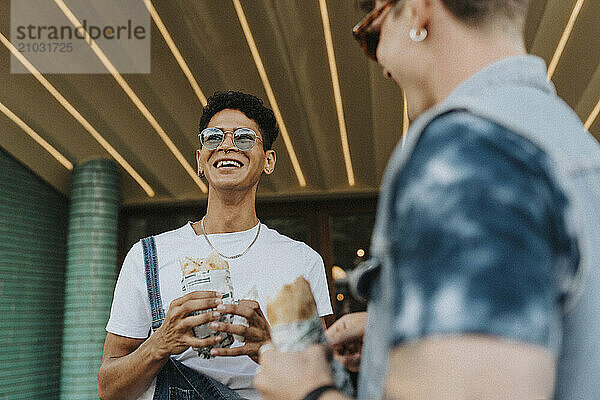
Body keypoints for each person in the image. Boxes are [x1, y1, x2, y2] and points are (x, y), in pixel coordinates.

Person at [255, 0, 600, 399]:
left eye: (372, 34)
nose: (381, 61)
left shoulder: (466, 152)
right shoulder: (575, 147)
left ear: (418, 11)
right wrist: (395, 332)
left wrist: (305, 392)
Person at [98, 91, 333, 400]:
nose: (227, 145)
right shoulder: (148, 257)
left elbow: (325, 378)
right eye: (213, 137)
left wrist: (270, 350)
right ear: (200, 159)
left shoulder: (302, 261)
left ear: (269, 161)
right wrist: (161, 342)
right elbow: (108, 389)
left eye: (245, 138)